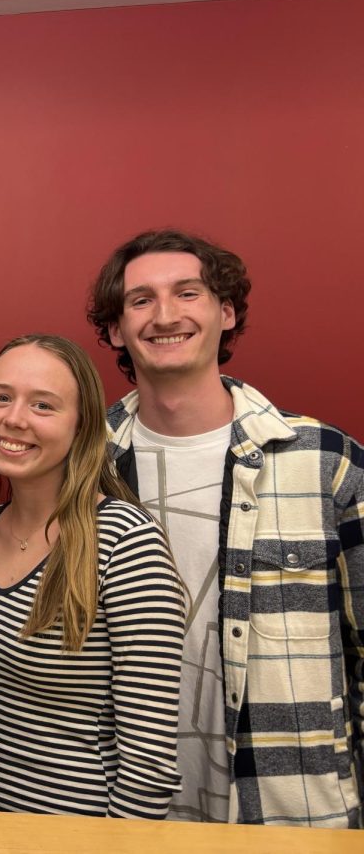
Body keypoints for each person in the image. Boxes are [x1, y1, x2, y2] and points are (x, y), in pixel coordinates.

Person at [88, 228, 364, 829]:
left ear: (226, 311)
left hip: (292, 811)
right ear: (114, 329)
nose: (166, 315)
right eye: (140, 300)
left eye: (188, 293)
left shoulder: (326, 462)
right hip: (124, 810)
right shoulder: (81, 470)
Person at [0, 335, 186, 817]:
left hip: (74, 832)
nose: (15, 418)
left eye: (43, 405)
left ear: (82, 427)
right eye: (1, 397)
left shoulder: (125, 540)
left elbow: (150, 763)